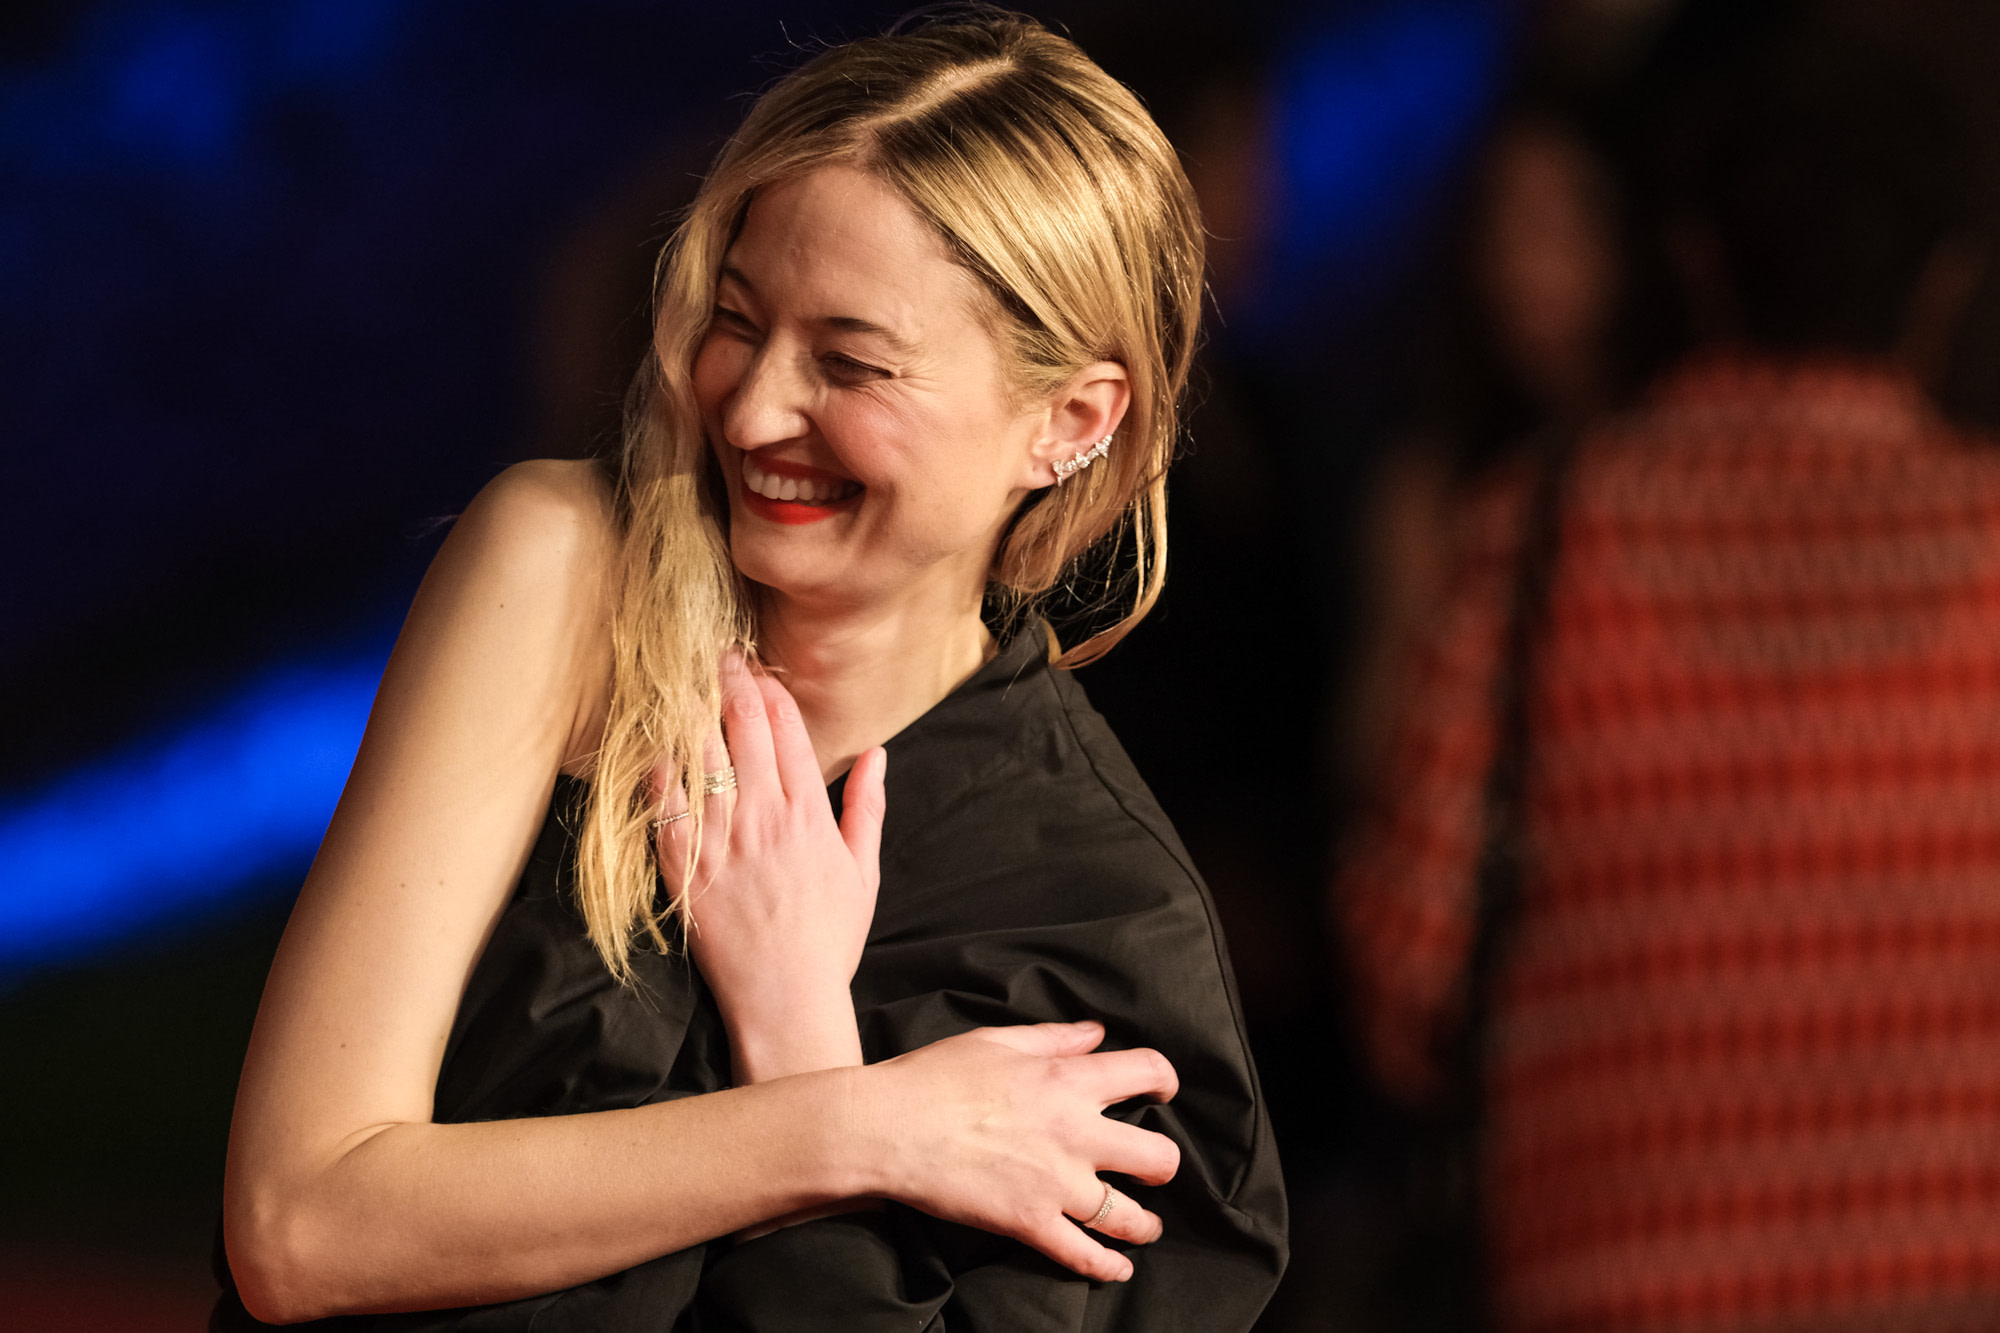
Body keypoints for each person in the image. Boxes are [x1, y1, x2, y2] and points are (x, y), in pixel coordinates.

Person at [214, 12, 1285, 1330]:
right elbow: (300, 1224)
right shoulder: (562, 572)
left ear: (1071, 422)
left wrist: (797, 1032)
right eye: (738, 320)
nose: (752, 407)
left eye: (850, 362)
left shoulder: (1103, 929)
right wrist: (851, 1125)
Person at [1334, 29, 2000, 1332]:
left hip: (1610, 1280)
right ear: (1947, 281)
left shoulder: (1539, 533)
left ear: (1694, 260)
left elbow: (1411, 971)